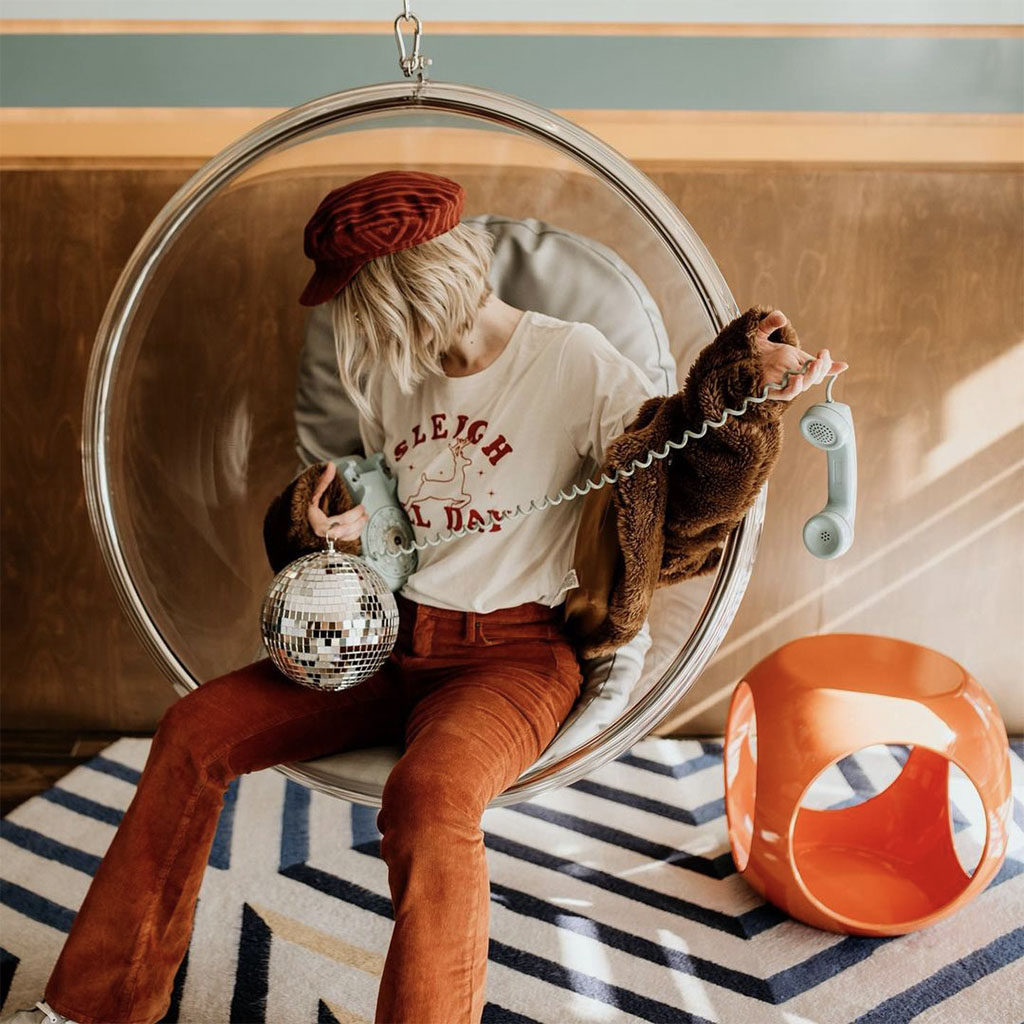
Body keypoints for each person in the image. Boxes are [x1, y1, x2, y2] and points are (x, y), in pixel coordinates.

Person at [7, 170, 845, 1024]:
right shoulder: (392, 373)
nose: (348, 327)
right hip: (388, 637)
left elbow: (682, 486)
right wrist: (345, 528)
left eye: (357, 304)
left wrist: (745, 391)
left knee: (429, 799)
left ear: (409, 289)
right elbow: (403, 519)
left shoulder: (576, 362)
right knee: (193, 732)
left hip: (514, 660)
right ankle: (95, 1009)